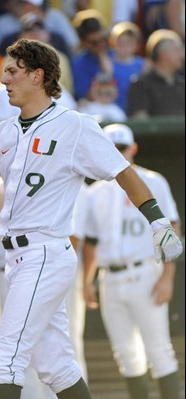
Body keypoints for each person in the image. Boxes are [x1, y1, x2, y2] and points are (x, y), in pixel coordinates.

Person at [0, 38, 183, 399]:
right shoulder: (4, 130)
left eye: (12, 71)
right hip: (16, 259)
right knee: (56, 366)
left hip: (45, 251)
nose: (3, 79)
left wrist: (158, 221)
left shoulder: (75, 125)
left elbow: (122, 170)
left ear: (37, 75)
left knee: (4, 360)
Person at [82, 123, 181, 399]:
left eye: (122, 148)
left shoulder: (153, 180)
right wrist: (87, 282)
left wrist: (167, 277)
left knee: (158, 350)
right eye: (112, 148)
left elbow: (171, 228)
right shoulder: (95, 192)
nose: (117, 153)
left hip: (146, 274)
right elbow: (90, 242)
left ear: (133, 148)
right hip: (110, 278)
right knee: (126, 354)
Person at [127, 29, 185, 119]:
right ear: (163, 53)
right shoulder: (141, 85)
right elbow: (141, 122)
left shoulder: (182, 85)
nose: (182, 55)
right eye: (177, 50)